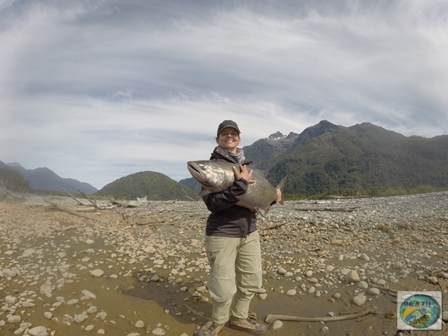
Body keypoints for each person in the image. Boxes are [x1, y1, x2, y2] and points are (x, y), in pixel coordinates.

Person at [196, 120, 282, 336]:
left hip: (249, 231)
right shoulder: (212, 168)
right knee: (223, 287)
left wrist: (273, 198)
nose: (229, 136)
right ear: (218, 139)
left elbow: (256, 200)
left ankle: (239, 317)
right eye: (224, 133)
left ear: (239, 139)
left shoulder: (247, 167)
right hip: (222, 233)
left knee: (252, 280)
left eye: (233, 133)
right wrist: (240, 184)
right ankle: (217, 322)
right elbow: (213, 204)